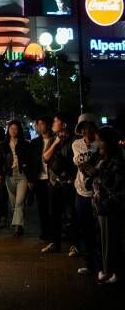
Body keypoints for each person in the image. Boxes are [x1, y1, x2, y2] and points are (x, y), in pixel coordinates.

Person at [92, 126, 125, 285]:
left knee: (112, 241)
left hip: (110, 208)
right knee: (105, 240)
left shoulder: (116, 162)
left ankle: (116, 272)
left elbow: (116, 187)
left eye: (100, 140)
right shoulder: (102, 159)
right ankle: (110, 270)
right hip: (102, 207)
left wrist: (98, 180)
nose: (97, 143)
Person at [41, 112, 78, 255]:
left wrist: (73, 178)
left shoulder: (74, 140)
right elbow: (45, 158)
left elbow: (75, 162)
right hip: (54, 184)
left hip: (68, 183)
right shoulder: (53, 140)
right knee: (54, 214)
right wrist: (55, 143)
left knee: (70, 215)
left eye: (55, 121)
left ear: (64, 124)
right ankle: (55, 243)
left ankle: (74, 244)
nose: (53, 124)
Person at [72, 113, 100, 276]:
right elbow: (80, 164)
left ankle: (101, 265)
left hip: (97, 193)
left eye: (88, 127)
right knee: (86, 229)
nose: (85, 131)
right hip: (81, 191)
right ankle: (90, 264)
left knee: (99, 232)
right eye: (82, 128)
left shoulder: (100, 144)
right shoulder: (76, 144)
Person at [0, 120, 32, 237]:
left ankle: (17, 227)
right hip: (9, 175)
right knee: (13, 203)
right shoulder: (3, 145)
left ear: (19, 130)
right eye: (11, 128)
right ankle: (19, 225)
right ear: (8, 130)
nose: (13, 131)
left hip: (22, 175)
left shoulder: (25, 144)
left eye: (15, 128)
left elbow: (28, 160)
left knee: (19, 201)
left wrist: (29, 173)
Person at [29, 116, 54, 241]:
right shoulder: (35, 142)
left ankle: (54, 231)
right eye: (38, 124)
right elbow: (31, 162)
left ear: (48, 125)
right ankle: (45, 231)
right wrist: (30, 179)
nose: (39, 126)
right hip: (39, 178)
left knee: (53, 207)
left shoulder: (55, 140)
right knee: (42, 207)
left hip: (53, 179)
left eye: (42, 124)